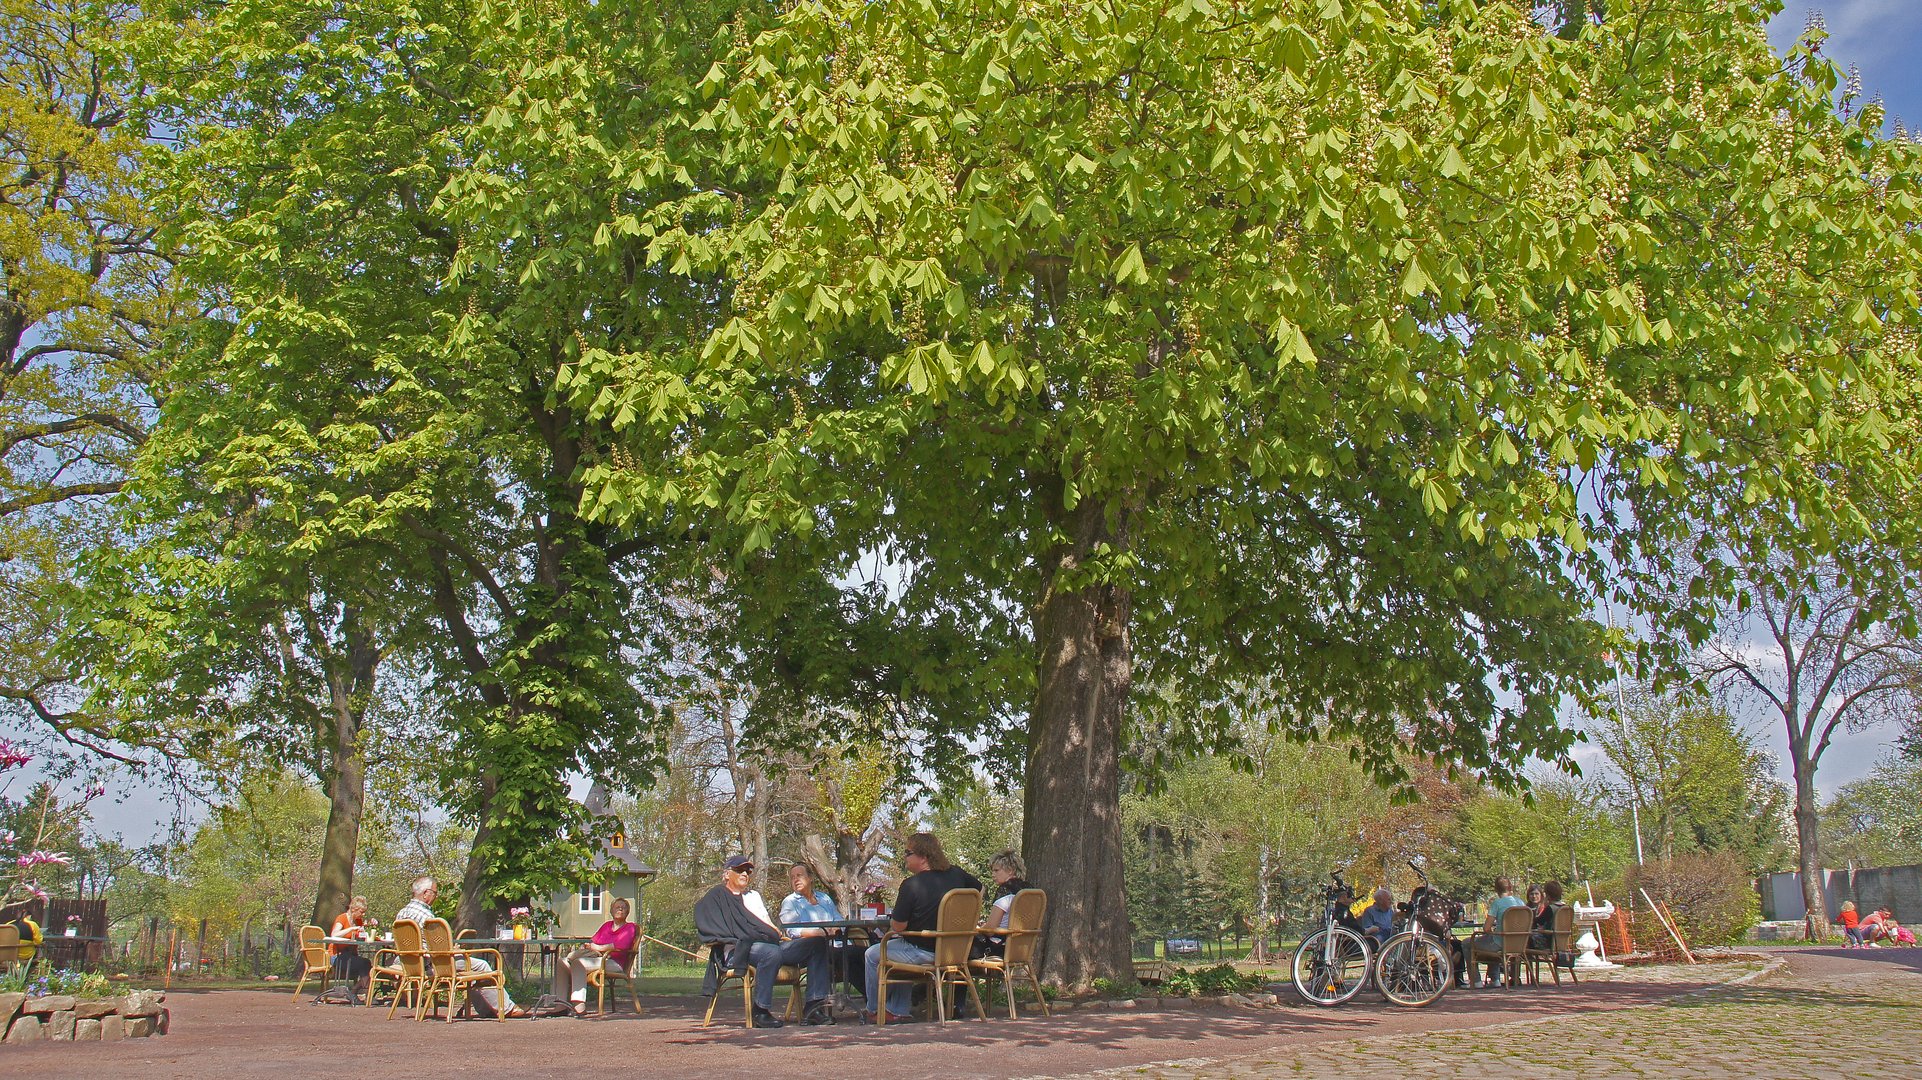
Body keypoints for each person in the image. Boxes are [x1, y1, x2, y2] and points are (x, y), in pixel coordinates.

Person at [694, 855, 833, 1027]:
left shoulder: (754, 896)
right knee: (770, 952)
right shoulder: (718, 895)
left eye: (748, 870)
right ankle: (760, 1011)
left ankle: (813, 1007)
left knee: (817, 943)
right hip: (739, 950)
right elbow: (708, 923)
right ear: (727, 874)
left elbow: (768, 925)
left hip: (770, 945)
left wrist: (774, 932)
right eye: (739, 870)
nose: (745, 873)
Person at [862, 832, 982, 1023]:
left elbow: (899, 926)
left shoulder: (911, 885)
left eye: (908, 852)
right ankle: (896, 1010)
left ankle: (874, 1010)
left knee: (873, 954)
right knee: (901, 944)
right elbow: (979, 889)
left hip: (924, 952)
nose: (905, 857)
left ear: (924, 856)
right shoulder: (957, 874)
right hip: (955, 951)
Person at [394, 875, 525, 1018]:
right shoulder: (427, 917)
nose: (436, 897)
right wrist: (455, 949)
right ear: (426, 893)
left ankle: (488, 1009)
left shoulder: (401, 913)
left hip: (413, 966)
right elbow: (439, 947)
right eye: (435, 893)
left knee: (471, 969)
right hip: (434, 965)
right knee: (482, 966)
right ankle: (506, 1008)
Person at [552, 897, 640, 1016]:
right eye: (617, 907)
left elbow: (621, 945)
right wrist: (587, 947)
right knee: (562, 962)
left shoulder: (630, 927)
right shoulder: (606, 926)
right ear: (611, 910)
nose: (620, 909)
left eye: (623, 907)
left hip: (614, 962)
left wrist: (598, 948)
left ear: (627, 912)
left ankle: (579, 1005)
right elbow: (593, 940)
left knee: (579, 963)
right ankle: (560, 1004)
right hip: (597, 959)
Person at [781, 864, 853, 994]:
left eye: (799, 875)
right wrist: (822, 933)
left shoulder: (824, 898)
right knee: (848, 956)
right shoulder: (790, 902)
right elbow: (792, 930)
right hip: (811, 948)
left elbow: (839, 920)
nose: (795, 880)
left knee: (862, 954)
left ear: (810, 878)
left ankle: (874, 1003)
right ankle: (818, 1003)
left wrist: (835, 929)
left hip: (837, 943)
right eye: (792, 877)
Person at [973, 850, 1031, 960]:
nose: (992, 874)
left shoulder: (1005, 891)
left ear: (1010, 870)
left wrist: (978, 928)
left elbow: (990, 930)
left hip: (999, 947)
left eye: (996, 870)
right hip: (1022, 948)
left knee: (959, 943)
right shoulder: (1029, 890)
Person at [1468, 877, 1525, 987]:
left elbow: (1486, 928)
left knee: (1467, 943)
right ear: (1510, 887)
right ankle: (1495, 979)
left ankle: (1476, 981)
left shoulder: (1497, 903)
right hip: (1519, 944)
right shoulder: (1521, 902)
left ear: (1496, 889)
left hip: (1500, 944)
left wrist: (1493, 931)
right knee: (1490, 940)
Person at [330, 895, 375, 992]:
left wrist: (372, 925)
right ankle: (359, 993)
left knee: (366, 964)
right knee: (364, 964)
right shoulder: (342, 918)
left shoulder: (358, 921)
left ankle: (357, 992)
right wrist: (350, 929)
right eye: (361, 912)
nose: (362, 915)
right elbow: (334, 934)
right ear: (354, 909)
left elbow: (361, 935)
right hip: (337, 956)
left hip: (351, 955)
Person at [1528, 881, 1566, 952]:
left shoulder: (1550, 908)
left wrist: (1545, 904)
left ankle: (1528, 961)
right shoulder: (1565, 908)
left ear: (1547, 894)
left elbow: (1537, 922)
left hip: (1548, 942)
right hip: (1561, 941)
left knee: (1524, 938)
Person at [2, 903, 42, 967]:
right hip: (26, 955)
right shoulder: (32, 924)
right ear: (29, 916)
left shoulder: (9, 924)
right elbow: (38, 941)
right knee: (40, 948)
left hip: (9, 954)